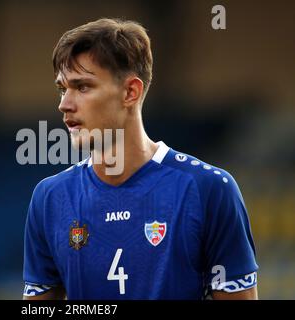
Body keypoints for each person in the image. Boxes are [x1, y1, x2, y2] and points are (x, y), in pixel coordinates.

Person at [22, 18, 258, 300]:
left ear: (130, 92)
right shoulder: (50, 198)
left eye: (82, 87)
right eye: (63, 89)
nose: (64, 103)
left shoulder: (209, 189)